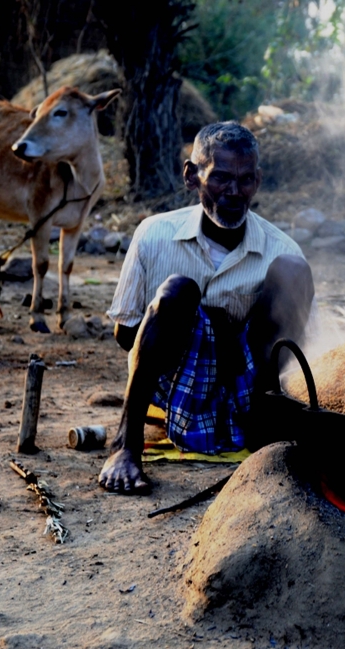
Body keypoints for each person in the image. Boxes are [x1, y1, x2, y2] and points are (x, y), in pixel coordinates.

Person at [99, 121, 314, 494]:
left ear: (258, 181)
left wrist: (231, 336)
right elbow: (126, 334)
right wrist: (188, 329)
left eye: (246, 180)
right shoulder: (153, 234)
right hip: (174, 382)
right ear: (191, 176)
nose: (234, 192)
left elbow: (296, 346)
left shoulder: (281, 248)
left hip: (246, 382)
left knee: (294, 271)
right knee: (180, 290)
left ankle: (263, 426)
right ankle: (126, 445)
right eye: (221, 178)